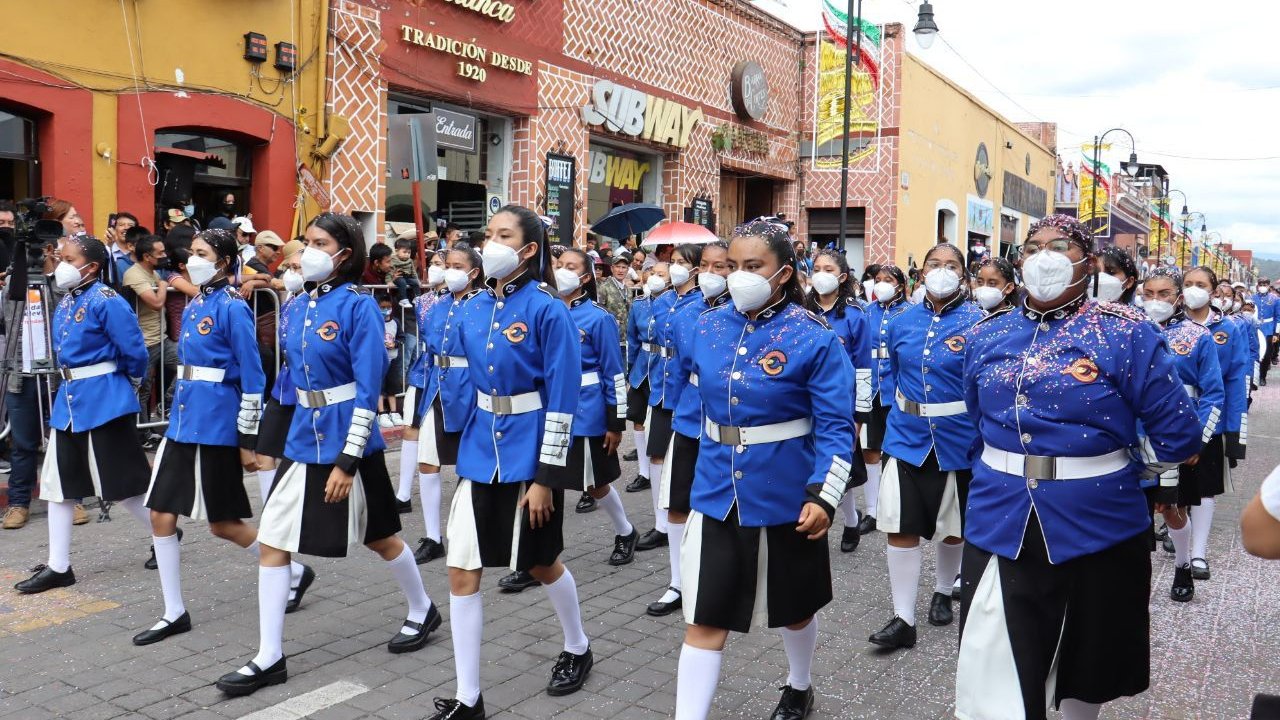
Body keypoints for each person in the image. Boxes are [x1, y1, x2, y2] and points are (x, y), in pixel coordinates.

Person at [956, 214, 1201, 720]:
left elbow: (1179, 435)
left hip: (1100, 524)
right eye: (1032, 247)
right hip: (1001, 518)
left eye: (1061, 246)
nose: (1044, 256)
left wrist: (1129, 467)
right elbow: (978, 419)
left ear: (1088, 263)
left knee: (1084, 667)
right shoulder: (987, 333)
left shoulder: (1126, 334)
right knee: (995, 668)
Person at [219, 213, 439, 696]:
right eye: (307, 243)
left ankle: (422, 608)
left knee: (380, 539)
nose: (308, 252)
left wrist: (347, 460)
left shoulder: (359, 308)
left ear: (345, 252)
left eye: (320, 243)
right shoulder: (297, 306)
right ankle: (269, 655)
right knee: (275, 539)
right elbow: (293, 380)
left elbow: (368, 388)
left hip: (347, 441)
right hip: (303, 439)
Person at [673, 220, 854, 720]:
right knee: (705, 618)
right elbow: (693, 403)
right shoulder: (704, 326)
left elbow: (838, 428)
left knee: (794, 611)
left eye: (753, 267)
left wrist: (825, 497)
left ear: (783, 274)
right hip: (716, 491)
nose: (738, 277)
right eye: (732, 266)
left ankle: (799, 685)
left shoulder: (814, 338)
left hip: (787, 494)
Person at [425, 205, 592, 720]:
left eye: (503, 235)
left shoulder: (549, 309)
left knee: (541, 564)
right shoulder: (473, 308)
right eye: (487, 234)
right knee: (461, 571)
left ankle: (579, 645)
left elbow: (563, 400)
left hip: (530, 453)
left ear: (527, 250)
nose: (489, 243)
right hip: (480, 451)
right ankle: (468, 697)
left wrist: (546, 478)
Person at [139, 229, 312, 646]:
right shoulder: (198, 299)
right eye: (191, 253)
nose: (190, 260)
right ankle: (173, 610)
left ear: (222, 261)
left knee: (223, 526)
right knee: (161, 516)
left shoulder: (233, 307)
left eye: (201, 254)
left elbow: (253, 375)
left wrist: (246, 436)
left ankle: (292, 571)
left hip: (215, 424)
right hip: (182, 421)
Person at [12, 236, 154, 592]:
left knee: (122, 486)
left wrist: (128, 386)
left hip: (105, 399)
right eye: (60, 256)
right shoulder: (69, 298)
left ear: (91, 266)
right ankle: (59, 566)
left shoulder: (108, 300)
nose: (60, 263)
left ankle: (164, 531)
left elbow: (134, 351)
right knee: (59, 486)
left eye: (68, 258)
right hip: (71, 401)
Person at [869, 243, 982, 650]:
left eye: (951, 265)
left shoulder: (979, 322)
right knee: (901, 526)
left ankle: (942, 587)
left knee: (952, 528)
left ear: (963, 276)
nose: (942, 271)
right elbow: (894, 373)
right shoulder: (900, 320)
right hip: (905, 436)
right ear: (921, 272)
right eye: (934, 263)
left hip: (959, 438)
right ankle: (903, 618)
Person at [648, 242, 733, 618]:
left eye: (724, 266)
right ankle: (678, 583)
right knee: (678, 503)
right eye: (708, 266)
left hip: (732, 427)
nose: (714, 273)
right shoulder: (687, 315)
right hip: (689, 420)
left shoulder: (749, 317)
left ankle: (723, 578)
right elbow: (680, 371)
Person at [1138, 267, 1225, 602]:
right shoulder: (1129, 330)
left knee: (1173, 510)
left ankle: (1183, 564)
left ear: (1177, 296)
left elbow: (1214, 393)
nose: (1156, 301)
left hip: (1175, 438)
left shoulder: (1198, 336)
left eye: (1164, 294)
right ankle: (1135, 577)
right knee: (1134, 510)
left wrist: (1199, 440)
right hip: (1135, 440)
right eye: (1150, 293)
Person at [553, 248, 637, 565]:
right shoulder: (545, 312)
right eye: (559, 265)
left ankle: (626, 531)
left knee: (595, 482)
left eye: (570, 267)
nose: (562, 270)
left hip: (586, 411)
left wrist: (615, 423)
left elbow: (614, 373)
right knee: (543, 481)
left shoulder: (598, 318)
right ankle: (539, 556)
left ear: (585, 277)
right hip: (548, 410)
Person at [400, 245, 483, 564]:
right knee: (427, 462)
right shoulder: (437, 304)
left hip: (470, 386)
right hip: (435, 383)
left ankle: (470, 527)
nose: (449, 270)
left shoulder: (486, 304)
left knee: (469, 464)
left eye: (456, 265)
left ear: (474, 272)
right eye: (447, 264)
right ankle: (433, 536)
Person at [1180, 266, 1250, 580]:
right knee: (1174, 485)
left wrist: (1235, 430)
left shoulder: (1228, 329)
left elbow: (1235, 380)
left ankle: (1198, 553)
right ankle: (1178, 532)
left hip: (1212, 417)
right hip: (1170, 416)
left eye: (1201, 284)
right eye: (1188, 283)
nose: (1194, 289)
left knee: (1204, 487)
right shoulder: (1170, 323)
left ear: (1212, 290)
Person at [806, 249, 872, 553]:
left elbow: (863, 370)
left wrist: (860, 416)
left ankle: (849, 520)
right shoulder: (801, 311)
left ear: (842, 276)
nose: (821, 273)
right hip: (805, 401)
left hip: (841, 405)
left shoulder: (855, 316)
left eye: (828, 269)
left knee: (839, 466)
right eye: (816, 267)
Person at [638, 250, 703, 558]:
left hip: (687, 392)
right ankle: (661, 523)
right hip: (660, 385)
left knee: (680, 461)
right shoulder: (662, 300)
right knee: (656, 456)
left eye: (682, 263)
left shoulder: (701, 304)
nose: (676, 268)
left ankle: (683, 519)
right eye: (673, 262)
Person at [860, 265, 911, 538]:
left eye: (888, 280)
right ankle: (871, 510)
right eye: (877, 280)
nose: (880, 284)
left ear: (900, 285)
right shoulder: (866, 312)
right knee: (870, 449)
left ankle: (895, 506)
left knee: (894, 451)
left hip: (896, 389)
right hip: (870, 389)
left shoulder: (910, 314)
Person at [123, 235, 179, 423]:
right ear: (147, 256)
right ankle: (142, 433)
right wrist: (163, 285)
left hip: (161, 340)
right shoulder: (135, 274)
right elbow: (156, 303)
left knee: (190, 366)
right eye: (160, 253)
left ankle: (168, 403)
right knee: (143, 390)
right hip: (143, 343)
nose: (164, 255)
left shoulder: (152, 272)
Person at [623, 267, 659, 489]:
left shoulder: (673, 304)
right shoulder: (639, 304)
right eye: (650, 273)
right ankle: (643, 471)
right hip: (641, 369)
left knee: (658, 421)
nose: (654, 277)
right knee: (637, 418)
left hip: (664, 369)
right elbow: (632, 339)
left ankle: (659, 470)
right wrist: (630, 369)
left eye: (660, 274)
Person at [377, 294, 405, 428]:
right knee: (380, 387)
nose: (386, 310)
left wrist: (396, 344)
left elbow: (402, 337)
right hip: (379, 360)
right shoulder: (375, 321)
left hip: (393, 359)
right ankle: (382, 413)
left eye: (388, 307)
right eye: (383, 307)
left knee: (392, 387)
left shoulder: (395, 322)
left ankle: (394, 412)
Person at [596, 254, 630, 332]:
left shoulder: (628, 290)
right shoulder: (604, 288)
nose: (620, 270)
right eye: (617, 267)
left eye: (623, 267)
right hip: (610, 334)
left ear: (627, 270)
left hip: (627, 336)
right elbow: (599, 312)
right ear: (612, 268)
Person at [1255, 278, 1278, 385]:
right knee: (1255, 353)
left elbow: (1278, 317)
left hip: (1269, 329)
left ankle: (1262, 376)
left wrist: (1276, 333)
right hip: (1255, 328)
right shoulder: (1252, 298)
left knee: (1267, 354)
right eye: (1261, 284)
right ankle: (1254, 375)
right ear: (1258, 285)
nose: (1262, 286)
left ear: (1268, 285)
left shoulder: (1275, 299)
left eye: (1265, 284)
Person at [391, 238, 424, 308]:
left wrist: (417, 279)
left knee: (415, 282)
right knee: (402, 282)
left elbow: (413, 271)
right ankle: (403, 299)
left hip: (408, 276)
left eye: (409, 252)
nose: (407, 254)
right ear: (396, 251)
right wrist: (390, 280)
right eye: (404, 252)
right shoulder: (393, 260)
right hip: (399, 277)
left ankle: (417, 297)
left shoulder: (410, 261)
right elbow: (390, 271)